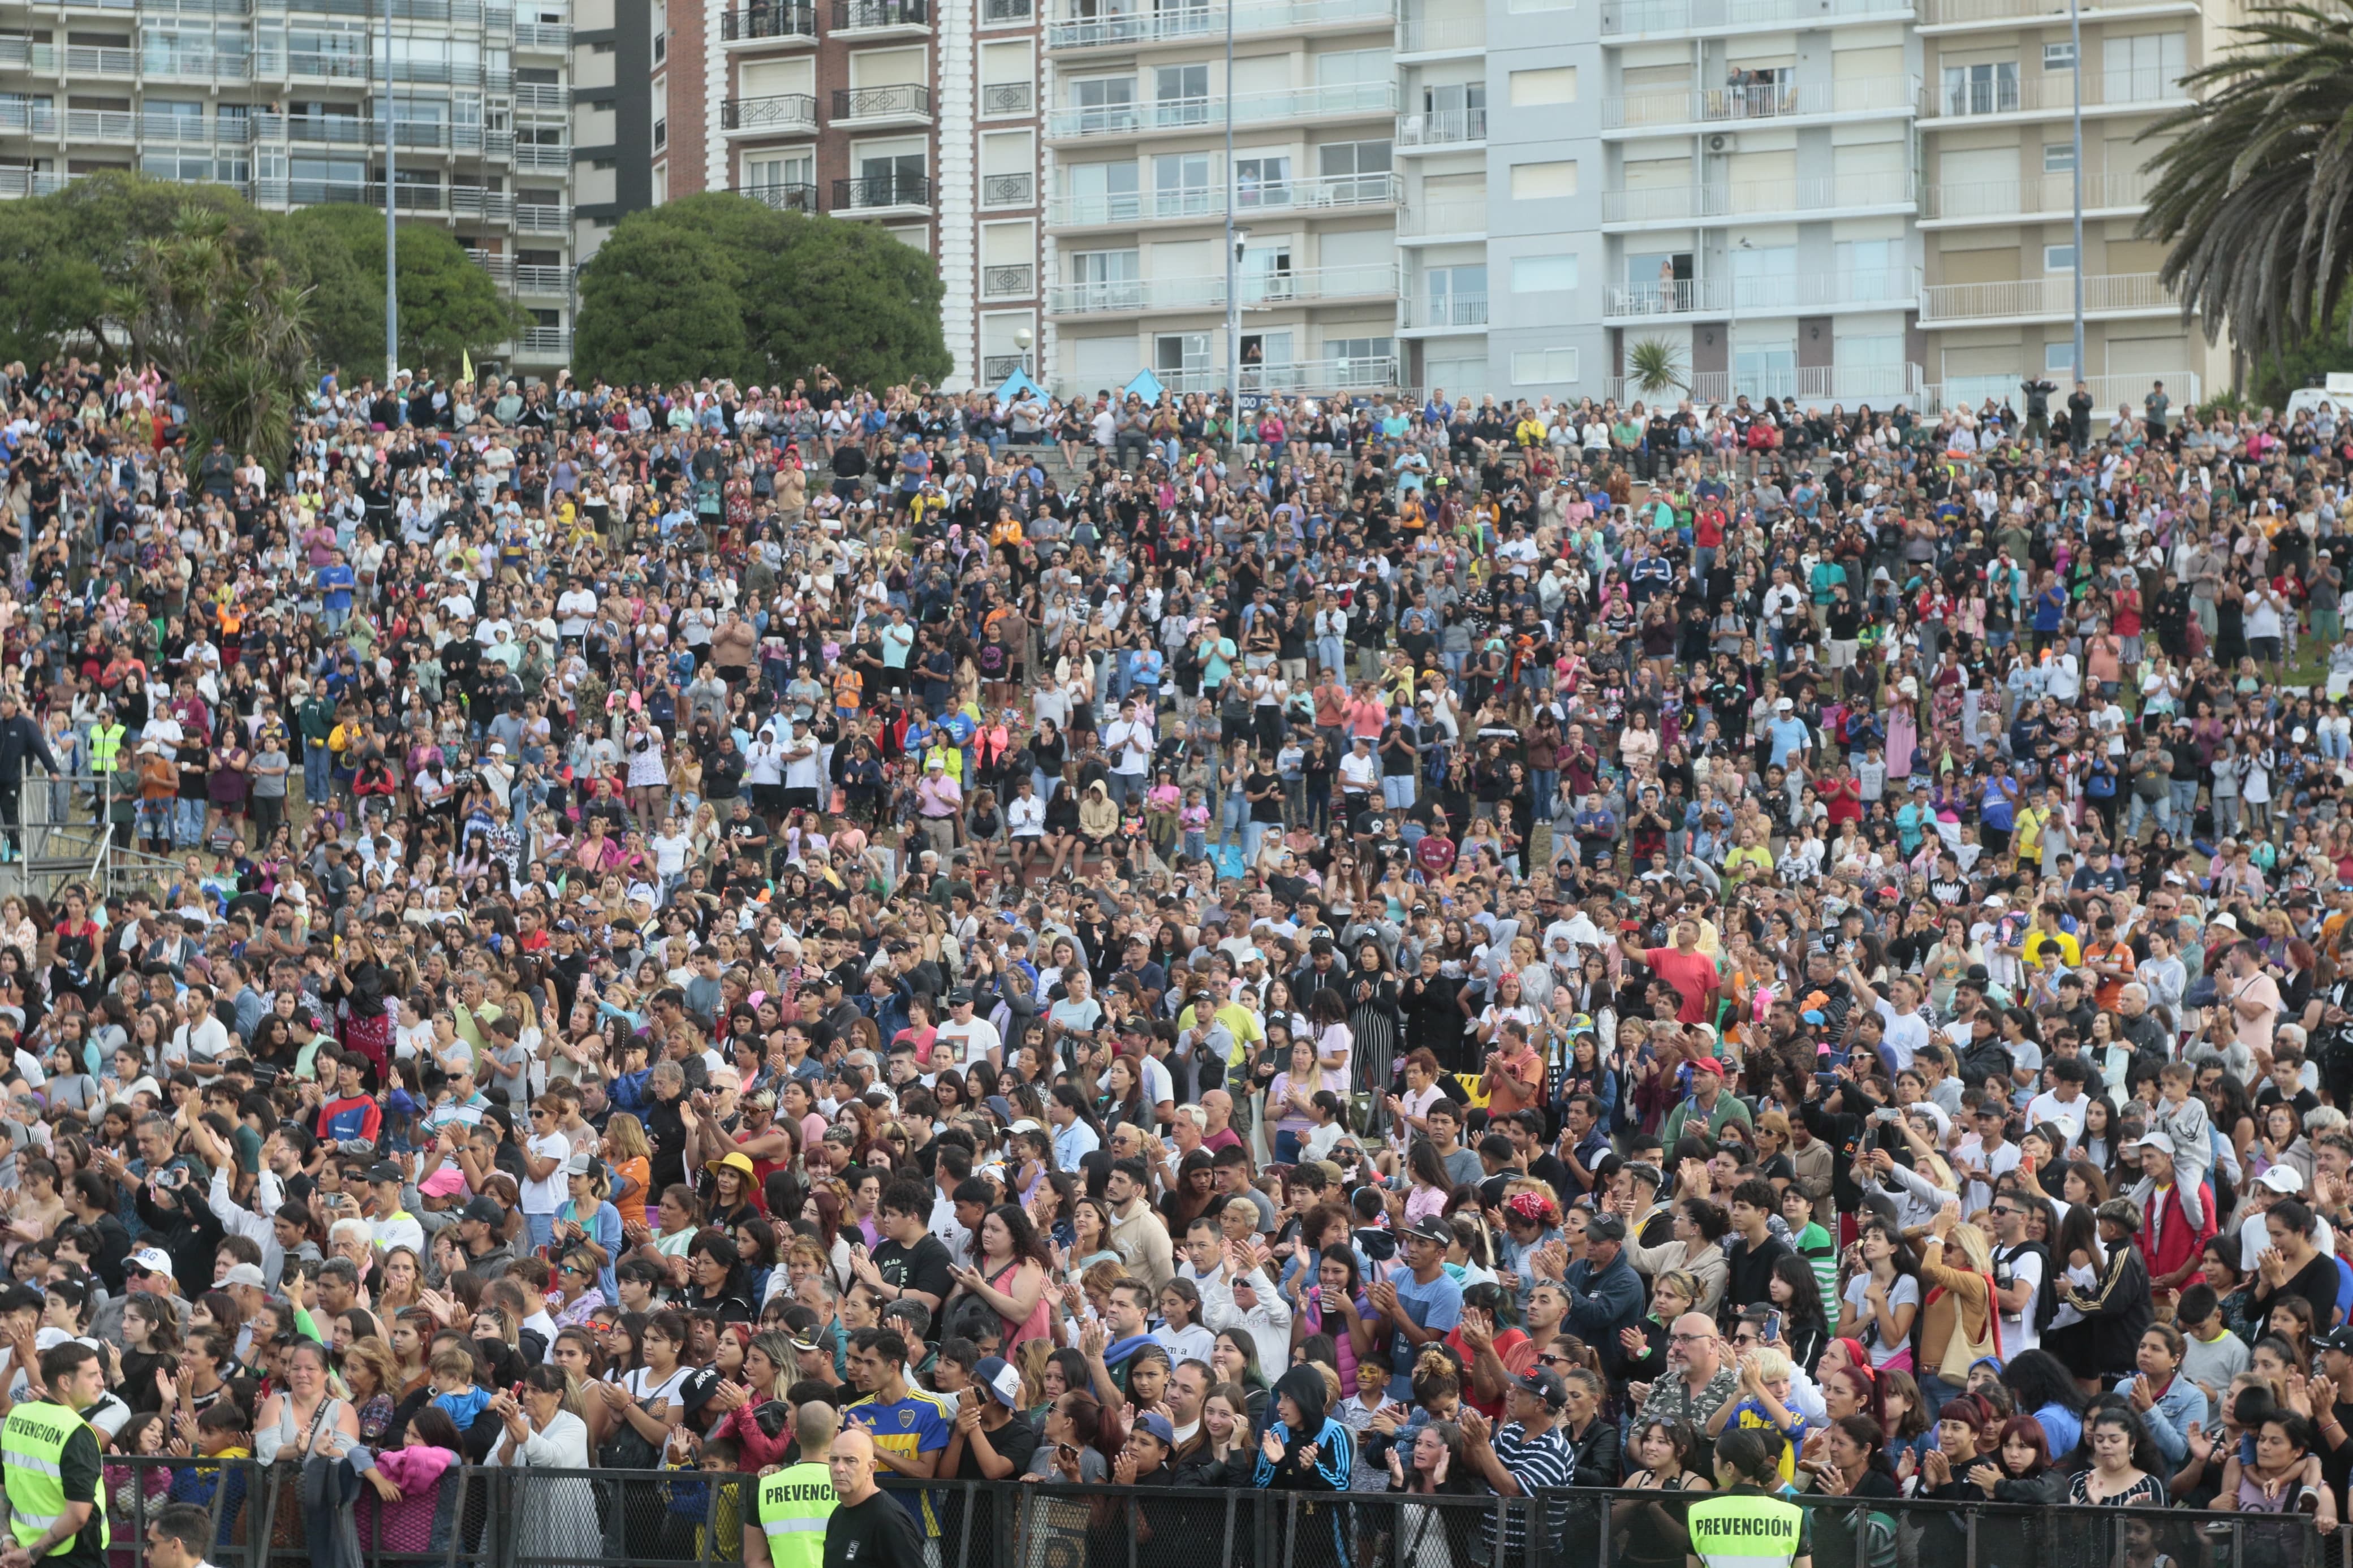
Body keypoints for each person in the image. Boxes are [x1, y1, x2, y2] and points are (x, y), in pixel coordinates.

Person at [743, 1403, 841, 1568]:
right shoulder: (848, 1486)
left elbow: (754, 1559)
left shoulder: (766, 1487)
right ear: (836, 1435)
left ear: (796, 1437)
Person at [822, 1428, 927, 1568]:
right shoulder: (838, 1514)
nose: (839, 1468)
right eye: (834, 1460)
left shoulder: (888, 1521)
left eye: (851, 1461)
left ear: (871, 1468)